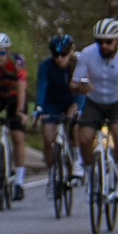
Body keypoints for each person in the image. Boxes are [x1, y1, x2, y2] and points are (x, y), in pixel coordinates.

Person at [71, 17, 118, 202]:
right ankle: (89, 177)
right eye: (99, 41)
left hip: (116, 101)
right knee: (84, 138)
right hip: (94, 101)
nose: (104, 46)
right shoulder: (87, 54)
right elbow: (74, 83)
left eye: (109, 42)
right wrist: (80, 88)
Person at [0, 32, 29, 202]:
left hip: (15, 97)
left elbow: (22, 86)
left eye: (1, 52)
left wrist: (21, 111)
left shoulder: (17, 61)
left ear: (8, 51)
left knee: (17, 136)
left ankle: (20, 181)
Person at [34, 34, 80, 184]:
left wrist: (78, 106)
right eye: (56, 54)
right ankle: (52, 171)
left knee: (75, 124)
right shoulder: (46, 66)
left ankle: (77, 158)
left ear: (71, 52)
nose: (60, 58)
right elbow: (42, 87)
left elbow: (84, 88)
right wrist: (39, 107)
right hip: (52, 103)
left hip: (72, 99)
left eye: (64, 54)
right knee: (48, 138)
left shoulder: (78, 64)